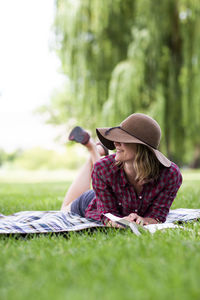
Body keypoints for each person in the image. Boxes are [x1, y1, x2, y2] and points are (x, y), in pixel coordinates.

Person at [61, 113, 182, 227]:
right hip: (92, 201)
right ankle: (93, 149)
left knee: (103, 166)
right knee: (63, 210)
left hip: (112, 191)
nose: (115, 143)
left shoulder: (170, 175)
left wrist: (145, 220)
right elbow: (107, 215)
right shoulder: (102, 168)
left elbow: (158, 216)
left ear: (142, 147)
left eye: (123, 139)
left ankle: (97, 149)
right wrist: (121, 222)